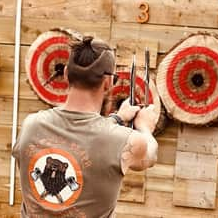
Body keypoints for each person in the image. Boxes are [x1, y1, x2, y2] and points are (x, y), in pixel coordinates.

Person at [12, 36, 159, 218]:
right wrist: (144, 127)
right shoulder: (127, 141)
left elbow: (83, 133)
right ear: (108, 82)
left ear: (66, 73)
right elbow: (149, 155)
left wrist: (118, 118)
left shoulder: (31, 125)